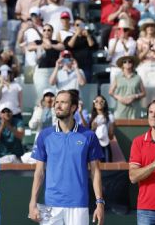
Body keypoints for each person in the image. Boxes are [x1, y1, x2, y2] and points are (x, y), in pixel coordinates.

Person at [28, 90, 105, 225]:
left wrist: (100, 202)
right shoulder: (44, 135)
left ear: (74, 107)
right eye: (56, 102)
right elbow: (39, 172)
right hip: (50, 205)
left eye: (63, 102)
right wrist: (32, 202)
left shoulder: (89, 136)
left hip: (79, 204)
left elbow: (95, 172)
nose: (57, 105)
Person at [89, 95, 115, 163]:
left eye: (102, 101)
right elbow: (89, 135)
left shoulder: (110, 116)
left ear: (105, 103)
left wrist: (110, 130)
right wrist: (93, 128)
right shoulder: (91, 117)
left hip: (106, 144)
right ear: (94, 104)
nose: (99, 103)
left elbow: (111, 136)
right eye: (96, 101)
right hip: (95, 145)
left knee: (107, 165)